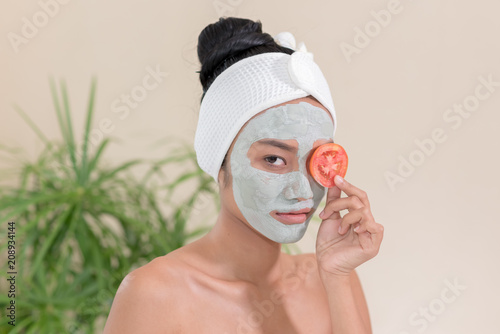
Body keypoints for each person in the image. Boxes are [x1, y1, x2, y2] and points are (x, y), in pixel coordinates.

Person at [103, 17, 384, 334]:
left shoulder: (329, 277)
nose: (302, 189)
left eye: (317, 160)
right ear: (219, 162)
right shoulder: (155, 294)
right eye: (274, 159)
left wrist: (336, 277)